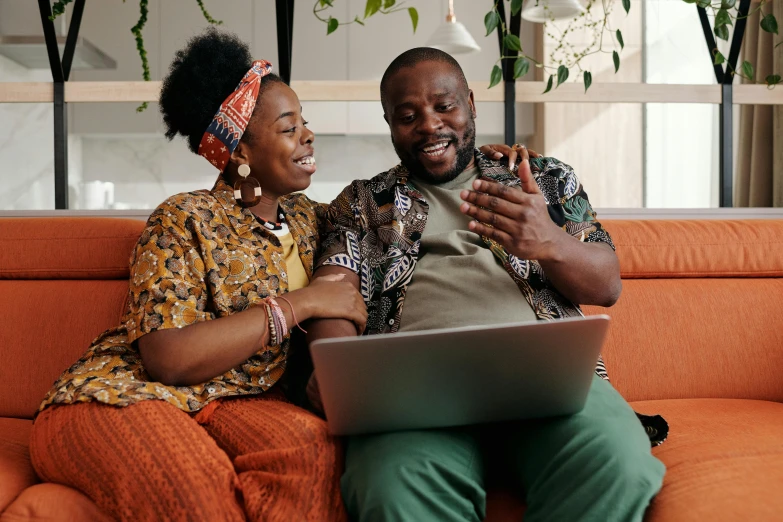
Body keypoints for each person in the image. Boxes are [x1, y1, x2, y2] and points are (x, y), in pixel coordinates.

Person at [307, 47, 668, 522]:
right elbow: (335, 292)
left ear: (472, 104)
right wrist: (336, 377)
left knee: (619, 463)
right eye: (408, 115)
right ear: (389, 123)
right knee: (390, 485)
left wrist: (550, 241)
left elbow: (607, 286)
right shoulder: (359, 203)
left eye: (445, 106)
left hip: (549, 386)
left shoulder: (542, 178)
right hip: (414, 397)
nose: (430, 125)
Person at [28, 29, 367, 522]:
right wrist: (302, 303)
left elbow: (382, 199)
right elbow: (169, 358)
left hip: (234, 403)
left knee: (314, 457)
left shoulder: (310, 218)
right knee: (197, 496)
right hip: (122, 397)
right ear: (240, 154)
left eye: (305, 123)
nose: (308, 135)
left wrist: (486, 163)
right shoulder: (183, 217)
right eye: (289, 127)